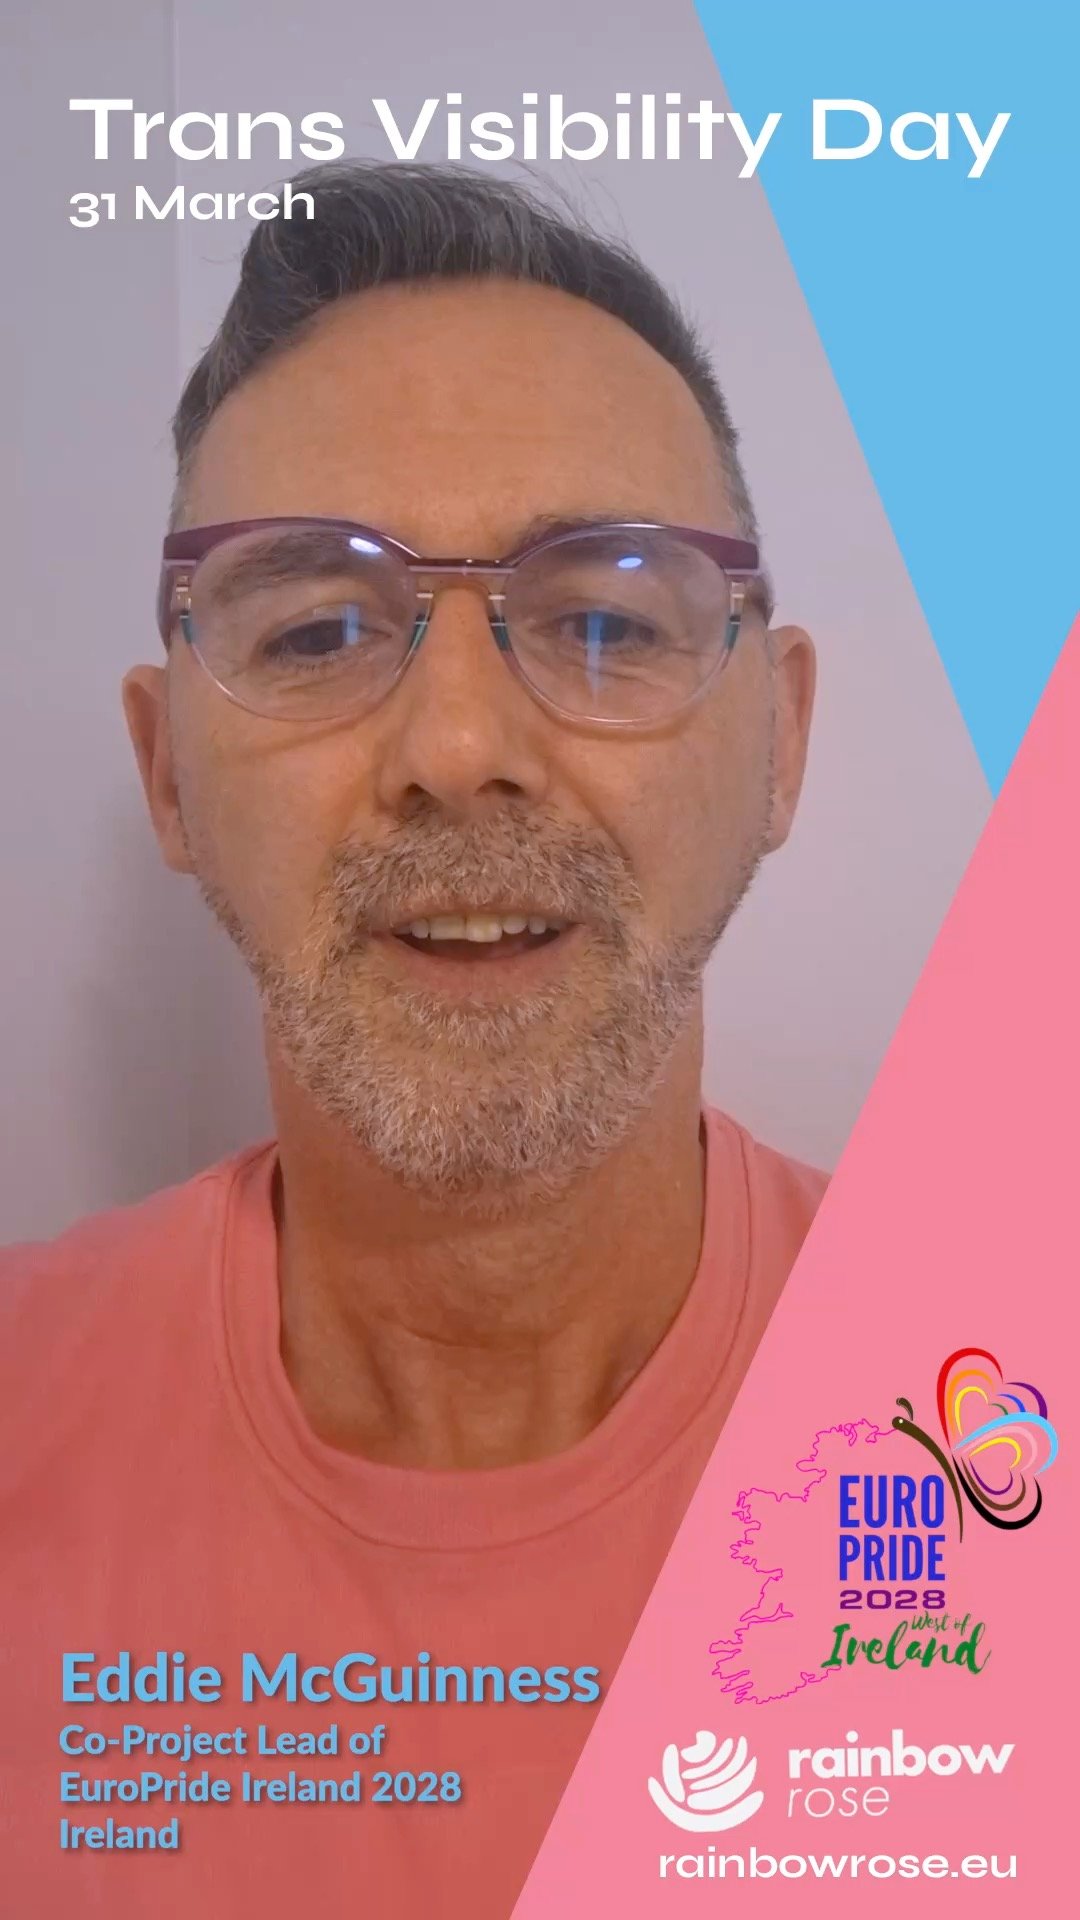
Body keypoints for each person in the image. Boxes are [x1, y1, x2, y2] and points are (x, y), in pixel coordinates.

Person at [0, 162, 822, 1917]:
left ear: (782, 740)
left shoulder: (1005, 1420)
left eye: (603, 620)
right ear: (166, 776)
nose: (458, 747)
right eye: (317, 631)